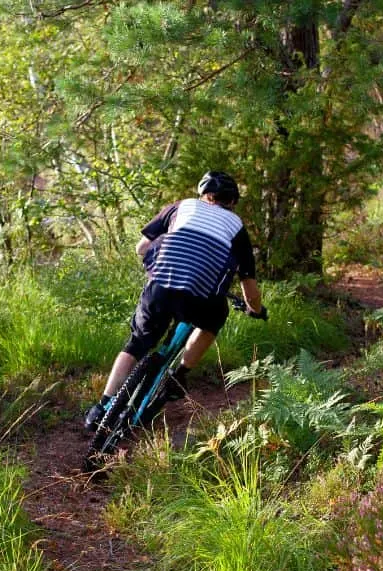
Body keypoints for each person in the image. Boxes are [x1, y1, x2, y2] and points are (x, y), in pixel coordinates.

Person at [84, 170, 266, 432]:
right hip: (201, 298)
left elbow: (141, 248)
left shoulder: (181, 207)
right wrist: (256, 309)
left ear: (203, 194)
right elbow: (248, 283)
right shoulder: (236, 226)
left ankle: (101, 406)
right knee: (213, 319)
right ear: (232, 202)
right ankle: (179, 375)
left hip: (161, 288)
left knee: (137, 344)